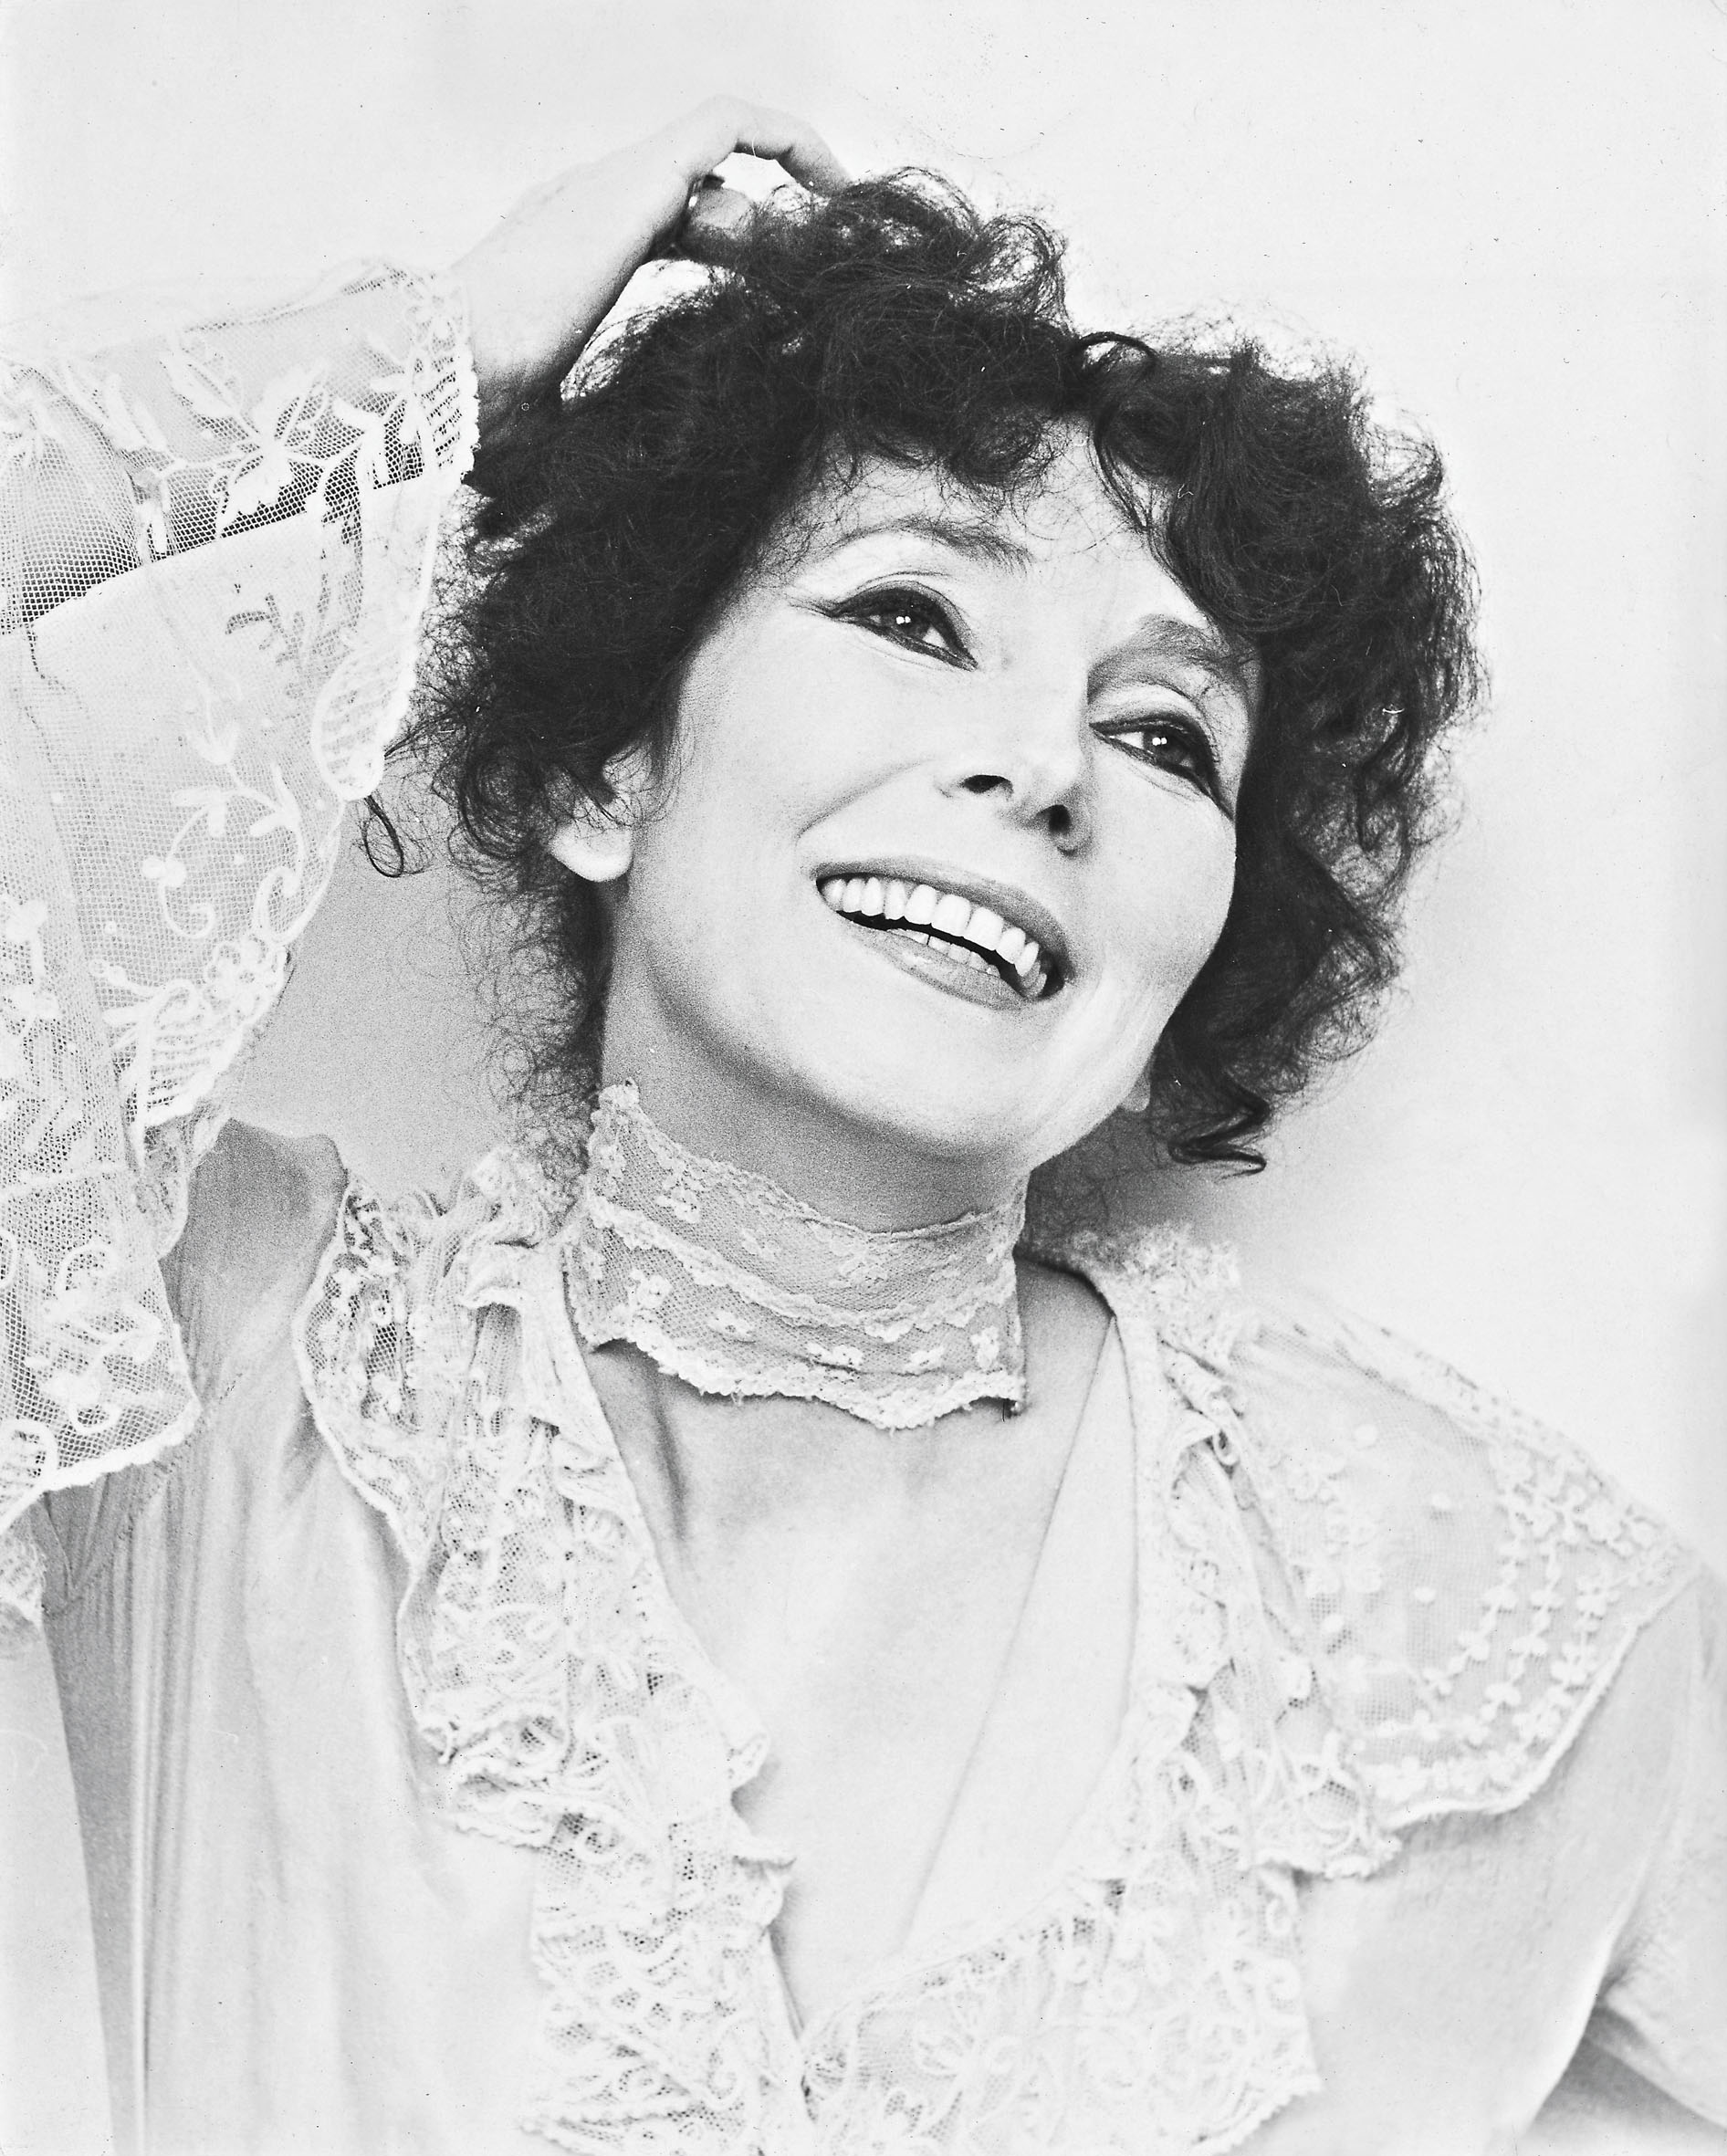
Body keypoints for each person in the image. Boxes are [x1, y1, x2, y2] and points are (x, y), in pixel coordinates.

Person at [1, 99, 1722, 2155]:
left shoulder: (1486, 1627)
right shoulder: (199, 1367)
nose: (1043, 764)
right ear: (606, 770)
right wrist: (439, 349)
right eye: (911, 617)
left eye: (1163, 733)